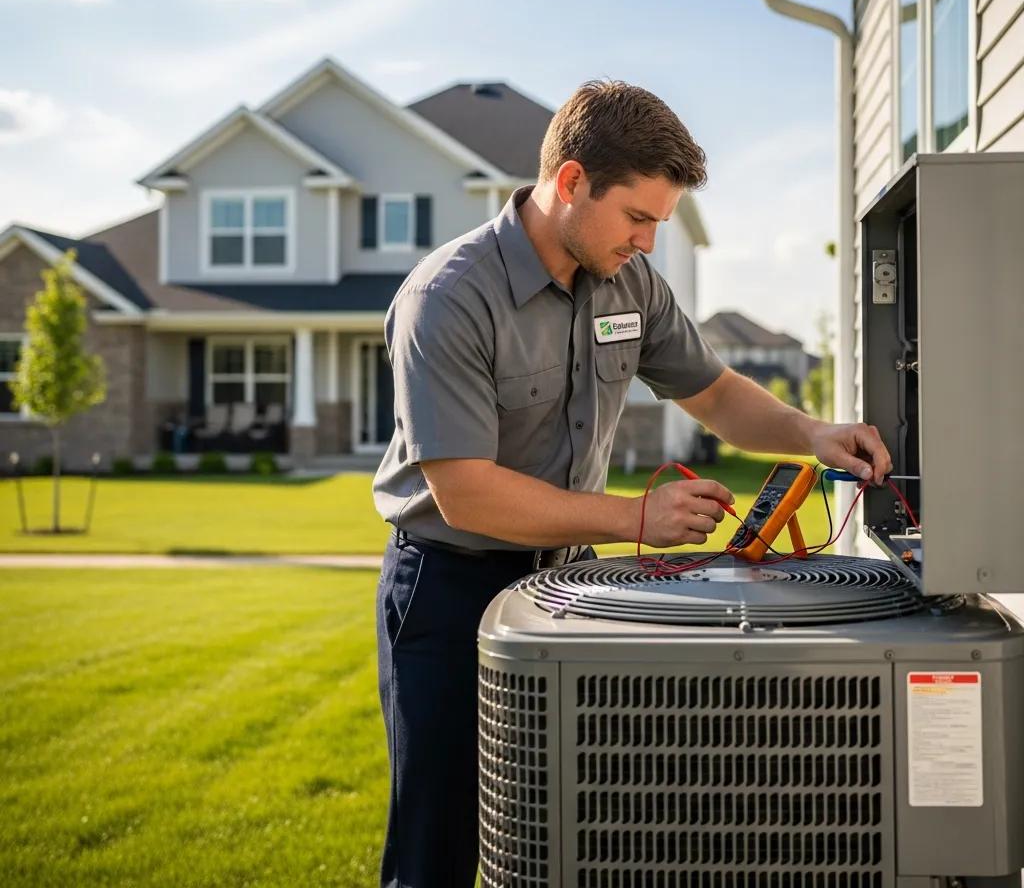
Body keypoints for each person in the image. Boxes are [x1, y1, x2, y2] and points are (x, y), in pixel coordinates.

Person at [371, 79, 891, 888]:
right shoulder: (448, 299)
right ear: (571, 182)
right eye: (638, 217)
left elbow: (714, 394)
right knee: (439, 844)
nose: (649, 242)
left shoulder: (629, 285)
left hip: (572, 587)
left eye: (660, 222)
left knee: (571, 831)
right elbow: (466, 492)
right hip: (448, 588)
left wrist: (811, 434)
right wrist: (634, 517)